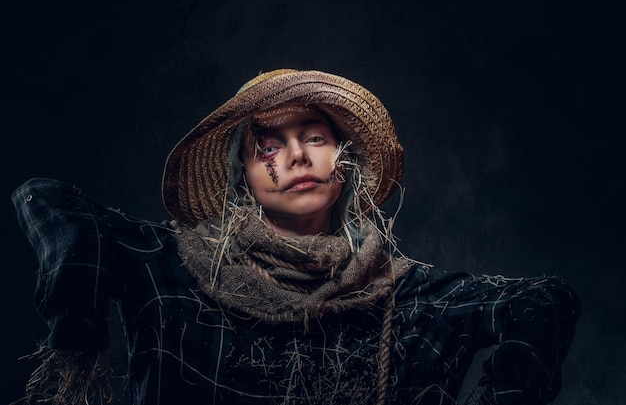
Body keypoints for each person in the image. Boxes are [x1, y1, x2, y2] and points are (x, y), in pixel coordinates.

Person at [12, 69, 580, 405]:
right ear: (247, 176)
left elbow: (542, 301)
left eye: (315, 137)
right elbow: (46, 198)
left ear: (345, 163)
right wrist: (76, 326)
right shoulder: (172, 263)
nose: (298, 156)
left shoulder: (405, 297)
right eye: (269, 145)